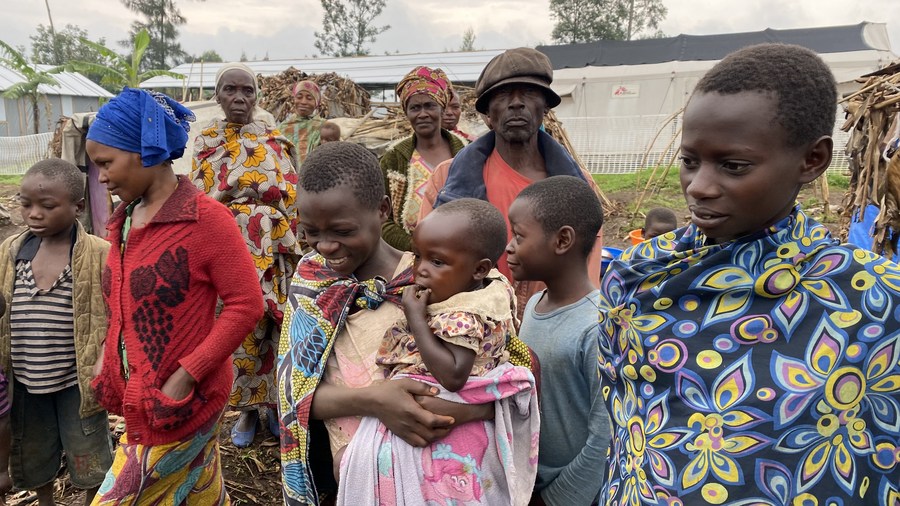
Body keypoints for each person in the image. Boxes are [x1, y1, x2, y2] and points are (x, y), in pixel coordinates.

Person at [597, 43, 900, 505]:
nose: (698, 187)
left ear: (813, 160)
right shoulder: (638, 276)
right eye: (690, 161)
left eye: (733, 166)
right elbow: (628, 442)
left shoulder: (874, 300)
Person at [276, 142, 537, 505]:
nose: (326, 246)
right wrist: (376, 401)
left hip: (453, 475)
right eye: (310, 232)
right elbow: (294, 397)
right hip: (360, 476)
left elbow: (507, 370)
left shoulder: (446, 274)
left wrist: (470, 409)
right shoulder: (312, 284)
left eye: (342, 231)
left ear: (382, 210)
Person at [86, 88, 263, 503]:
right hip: (146, 396)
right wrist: (105, 358)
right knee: (195, 488)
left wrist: (187, 374)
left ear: (144, 151)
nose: (102, 177)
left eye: (106, 164)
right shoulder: (126, 220)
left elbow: (246, 304)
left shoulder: (206, 220)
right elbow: (122, 302)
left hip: (181, 401)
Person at [337, 198, 538, 505]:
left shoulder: (465, 315)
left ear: (479, 269)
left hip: (453, 418)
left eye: (437, 262)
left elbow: (454, 376)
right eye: (418, 257)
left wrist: (416, 319)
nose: (420, 271)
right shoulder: (479, 289)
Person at [418, 48, 604, 314]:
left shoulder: (576, 188)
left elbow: (587, 273)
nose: (516, 103)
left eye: (528, 93)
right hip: (469, 330)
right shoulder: (448, 180)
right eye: (503, 95)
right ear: (487, 112)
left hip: (547, 326)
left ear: (545, 107)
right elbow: (431, 260)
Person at [191, 62, 302, 448]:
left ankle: (273, 405)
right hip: (229, 245)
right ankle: (247, 411)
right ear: (218, 96)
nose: (239, 98)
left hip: (273, 247)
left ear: (257, 96)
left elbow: (292, 192)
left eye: (247, 91)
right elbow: (200, 199)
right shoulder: (206, 141)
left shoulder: (276, 138)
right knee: (238, 327)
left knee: (275, 324)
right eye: (230, 90)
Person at [0, 160, 112, 506]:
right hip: (25, 383)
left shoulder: (98, 254)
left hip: (76, 384)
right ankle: (45, 499)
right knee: (34, 451)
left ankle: (93, 498)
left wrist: (105, 359)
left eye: (47, 206)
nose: (34, 214)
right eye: (26, 204)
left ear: (78, 207)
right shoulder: (10, 253)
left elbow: (114, 314)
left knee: (88, 450)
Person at [506, 176, 609, 506]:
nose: (509, 246)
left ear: (562, 240)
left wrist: (558, 498)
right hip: (530, 480)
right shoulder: (535, 305)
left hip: (571, 493)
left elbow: (604, 434)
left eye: (519, 236)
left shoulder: (595, 326)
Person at [381, 66, 467, 251]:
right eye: (415, 108)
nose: (422, 114)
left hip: (461, 254)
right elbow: (381, 217)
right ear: (407, 113)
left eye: (429, 105)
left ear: (442, 109)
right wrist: (415, 247)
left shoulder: (466, 153)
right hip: (406, 259)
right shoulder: (394, 158)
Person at [279, 80, 326, 168]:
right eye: (299, 97)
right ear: (294, 99)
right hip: (287, 179)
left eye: (309, 98)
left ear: (316, 103)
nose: (303, 102)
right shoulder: (282, 128)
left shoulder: (324, 127)